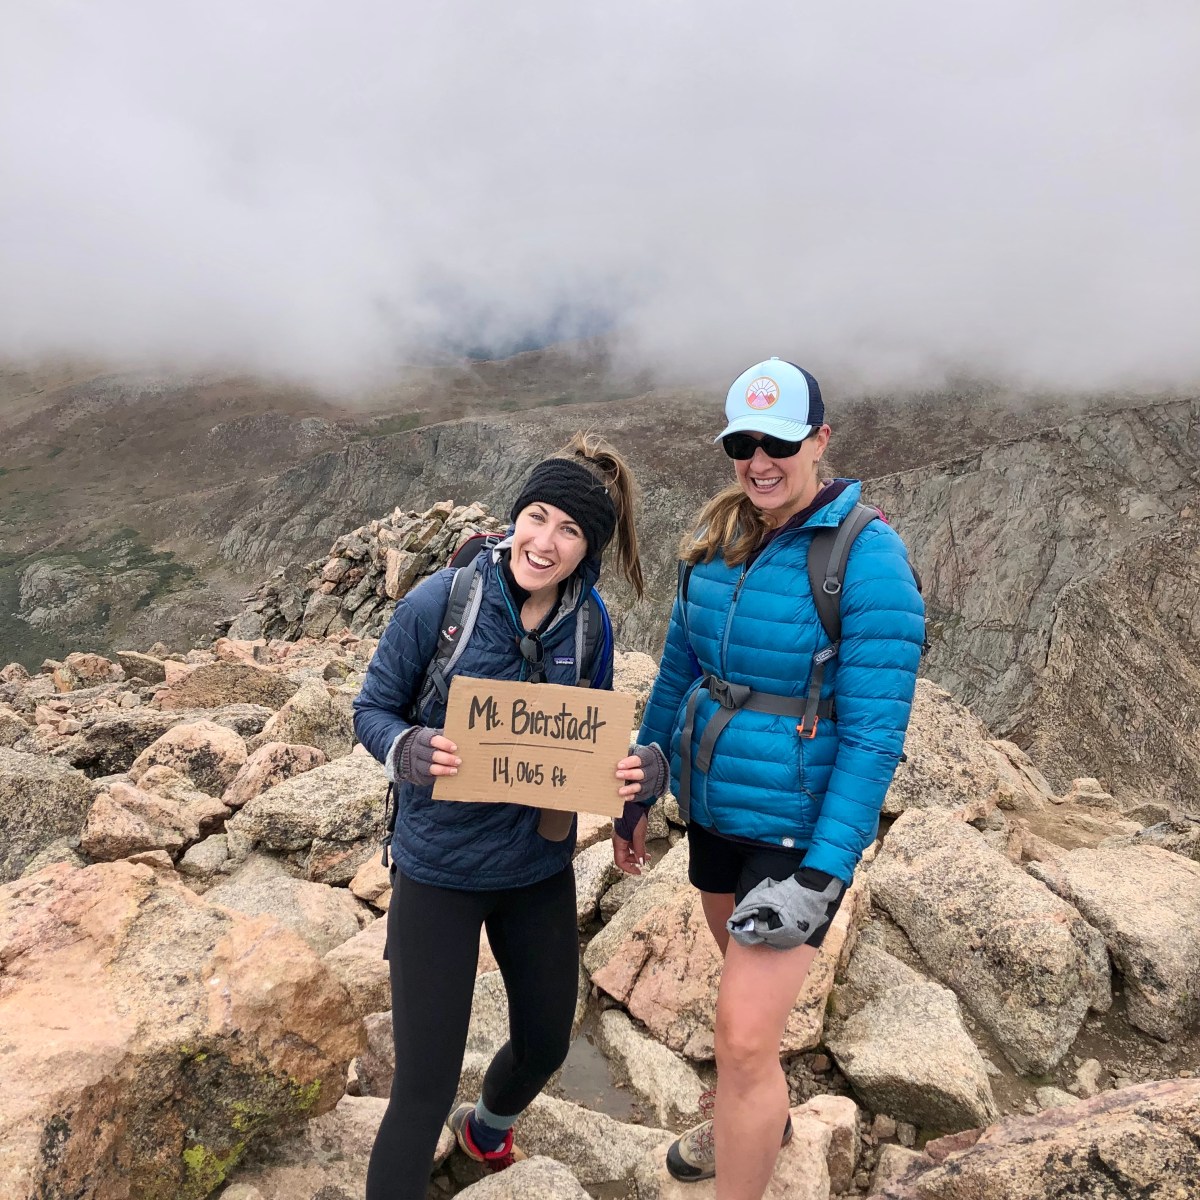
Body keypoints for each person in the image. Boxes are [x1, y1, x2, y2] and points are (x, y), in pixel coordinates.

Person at [612, 359, 924, 1198]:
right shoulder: (715, 540)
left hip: (797, 833)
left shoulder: (867, 557)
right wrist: (640, 792)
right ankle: (761, 1119)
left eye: (779, 443)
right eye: (742, 444)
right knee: (744, 1014)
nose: (759, 462)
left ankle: (744, 1129)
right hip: (715, 811)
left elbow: (874, 738)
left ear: (820, 440)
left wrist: (824, 873)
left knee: (744, 1039)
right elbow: (677, 674)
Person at [355, 433, 659, 1196]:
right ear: (516, 516)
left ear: (588, 550)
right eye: (537, 517)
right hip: (440, 868)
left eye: (570, 530)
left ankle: (486, 1131)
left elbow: (587, 740)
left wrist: (636, 783)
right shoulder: (441, 603)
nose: (545, 542)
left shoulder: (588, 623)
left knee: (546, 1042)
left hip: (534, 865)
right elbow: (371, 710)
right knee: (422, 1090)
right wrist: (406, 748)